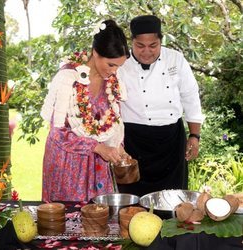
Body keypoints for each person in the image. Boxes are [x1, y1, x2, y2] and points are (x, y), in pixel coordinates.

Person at [40, 19, 130, 202]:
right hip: (68, 164)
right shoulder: (67, 79)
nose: (114, 71)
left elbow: (112, 121)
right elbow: (57, 133)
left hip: (98, 165)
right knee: (66, 223)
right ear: (96, 53)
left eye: (119, 66)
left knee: (99, 220)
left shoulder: (111, 82)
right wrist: (96, 147)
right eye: (111, 64)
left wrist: (117, 148)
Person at [117, 15, 204, 197]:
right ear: (131, 42)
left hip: (171, 139)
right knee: (133, 198)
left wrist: (194, 136)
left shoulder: (176, 59)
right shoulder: (120, 64)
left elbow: (190, 97)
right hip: (133, 141)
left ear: (161, 42)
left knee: (173, 198)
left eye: (153, 46)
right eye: (140, 46)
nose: (147, 52)